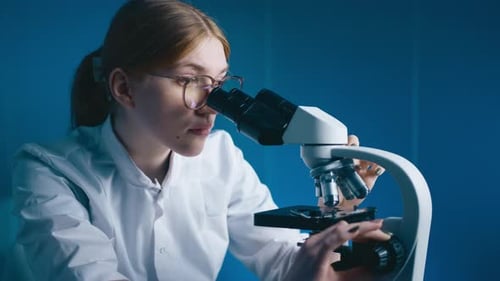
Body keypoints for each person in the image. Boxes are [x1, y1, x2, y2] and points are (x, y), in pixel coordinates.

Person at [11, 1, 389, 280]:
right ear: (124, 87)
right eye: (189, 80)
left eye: (220, 85)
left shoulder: (221, 157)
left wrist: (338, 220)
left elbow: (282, 263)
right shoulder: (49, 171)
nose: (213, 106)